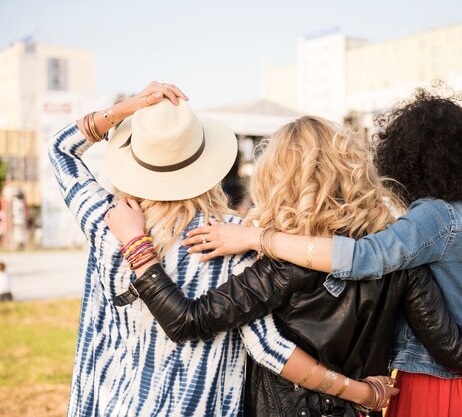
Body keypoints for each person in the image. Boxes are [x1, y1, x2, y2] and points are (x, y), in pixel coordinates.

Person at [106, 115, 462, 416]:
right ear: (355, 171)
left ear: (279, 180)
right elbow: (453, 348)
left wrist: (136, 245)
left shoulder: (277, 266)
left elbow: (186, 321)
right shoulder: (399, 258)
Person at [48, 82, 390, 417]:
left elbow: (61, 149)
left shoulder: (106, 218)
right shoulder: (231, 237)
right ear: (206, 161)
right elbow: (268, 348)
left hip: (110, 404)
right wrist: (360, 391)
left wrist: (128, 108)